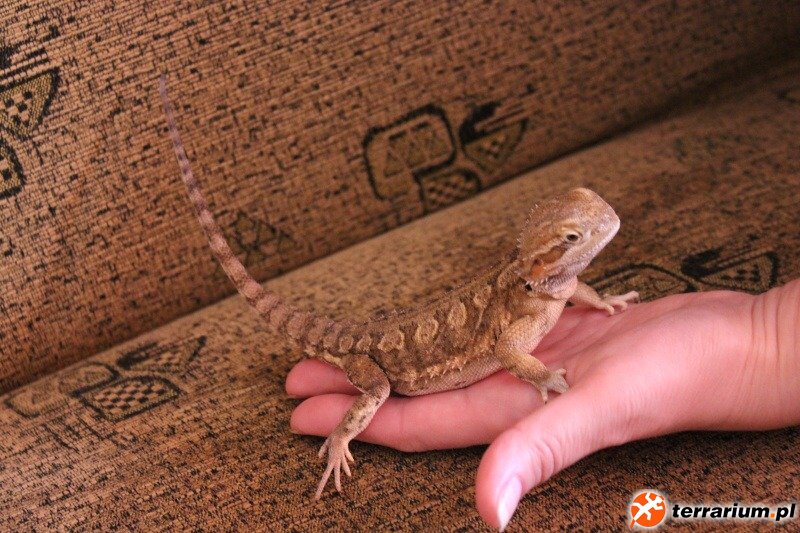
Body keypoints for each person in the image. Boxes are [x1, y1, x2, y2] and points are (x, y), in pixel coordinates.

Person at [286, 280, 800, 530]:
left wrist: (769, 335)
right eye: (573, 238)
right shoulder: (537, 281)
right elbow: (514, 351)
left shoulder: (554, 281)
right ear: (539, 264)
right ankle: (340, 436)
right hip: (382, 359)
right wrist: (766, 329)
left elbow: (570, 284)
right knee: (377, 393)